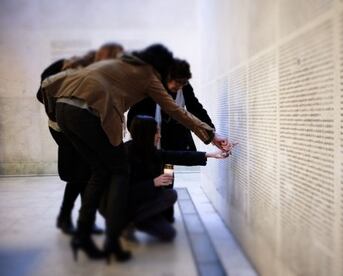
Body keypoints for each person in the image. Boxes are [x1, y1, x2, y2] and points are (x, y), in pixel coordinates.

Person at [41, 43, 231, 263]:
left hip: (65, 110)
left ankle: (83, 236)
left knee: (101, 171)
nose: (173, 82)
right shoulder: (149, 77)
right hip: (94, 117)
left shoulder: (118, 64)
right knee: (119, 171)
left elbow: (49, 84)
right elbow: (176, 111)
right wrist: (211, 137)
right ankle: (114, 240)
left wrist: (55, 118)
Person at [36, 43, 124, 235]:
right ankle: (68, 218)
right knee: (80, 174)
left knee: (86, 172)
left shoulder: (90, 71)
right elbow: (42, 92)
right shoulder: (71, 68)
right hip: (65, 128)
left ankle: (80, 219)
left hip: (74, 126)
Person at [127, 58, 215, 222]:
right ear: (168, 77)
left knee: (168, 172)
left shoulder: (184, 88)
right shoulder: (152, 85)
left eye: (183, 84)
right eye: (177, 83)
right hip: (148, 137)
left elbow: (195, 108)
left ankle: (165, 213)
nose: (179, 87)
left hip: (170, 139)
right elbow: (135, 111)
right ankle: (144, 212)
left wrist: (212, 132)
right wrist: (138, 134)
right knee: (149, 174)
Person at [119, 115, 228, 242]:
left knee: (168, 231)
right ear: (146, 134)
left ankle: (135, 222)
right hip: (125, 205)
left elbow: (178, 156)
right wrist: (153, 183)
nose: (159, 136)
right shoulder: (125, 154)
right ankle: (125, 223)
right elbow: (123, 191)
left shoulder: (151, 151)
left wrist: (211, 155)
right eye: (156, 132)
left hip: (143, 204)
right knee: (167, 198)